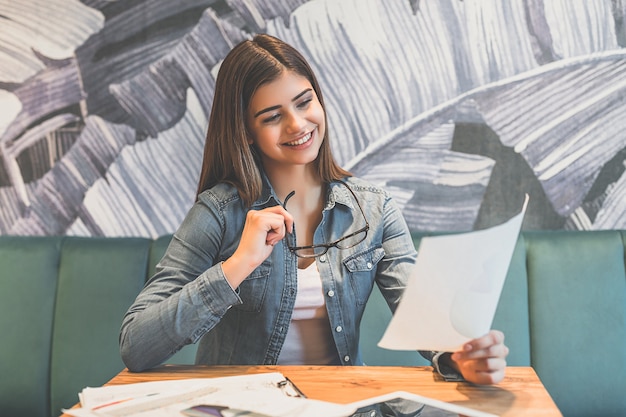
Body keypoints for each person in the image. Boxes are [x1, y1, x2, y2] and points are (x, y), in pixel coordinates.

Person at [119, 34, 509, 385]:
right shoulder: (218, 213)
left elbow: (423, 316)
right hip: (240, 407)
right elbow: (136, 345)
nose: (297, 124)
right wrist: (238, 264)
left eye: (305, 102)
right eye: (272, 116)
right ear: (245, 133)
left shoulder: (374, 209)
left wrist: (460, 357)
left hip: (343, 406)